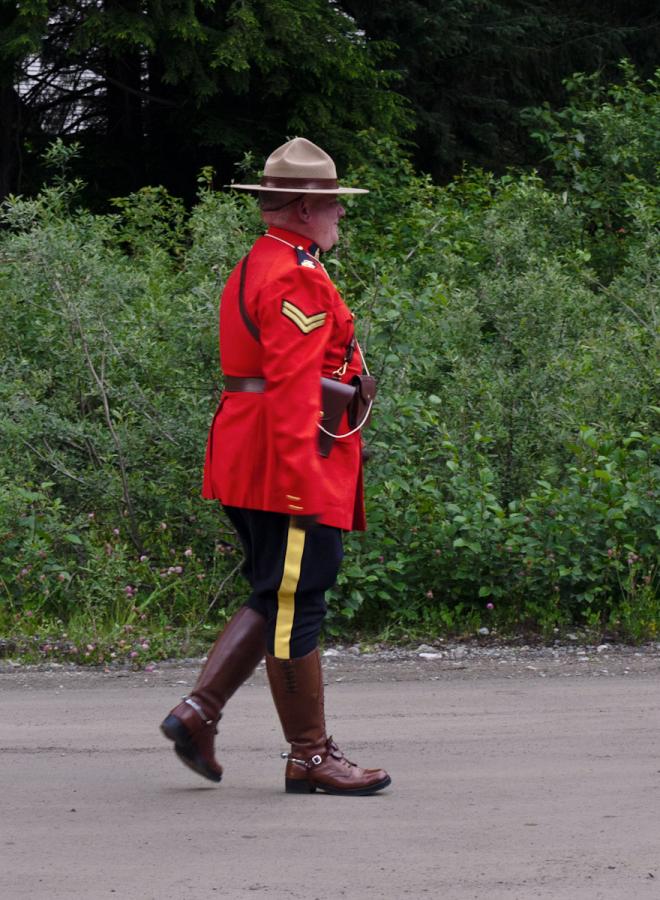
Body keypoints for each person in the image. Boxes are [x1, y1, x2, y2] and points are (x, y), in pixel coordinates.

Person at [160, 137, 391, 796]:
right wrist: (301, 483)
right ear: (301, 206)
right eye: (333, 205)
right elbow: (291, 387)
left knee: (276, 591)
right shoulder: (295, 274)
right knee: (298, 601)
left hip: (256, 450)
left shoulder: (261, 261)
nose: (341, 216)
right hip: (283, 461)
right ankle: (311, 756)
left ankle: (197, 714)